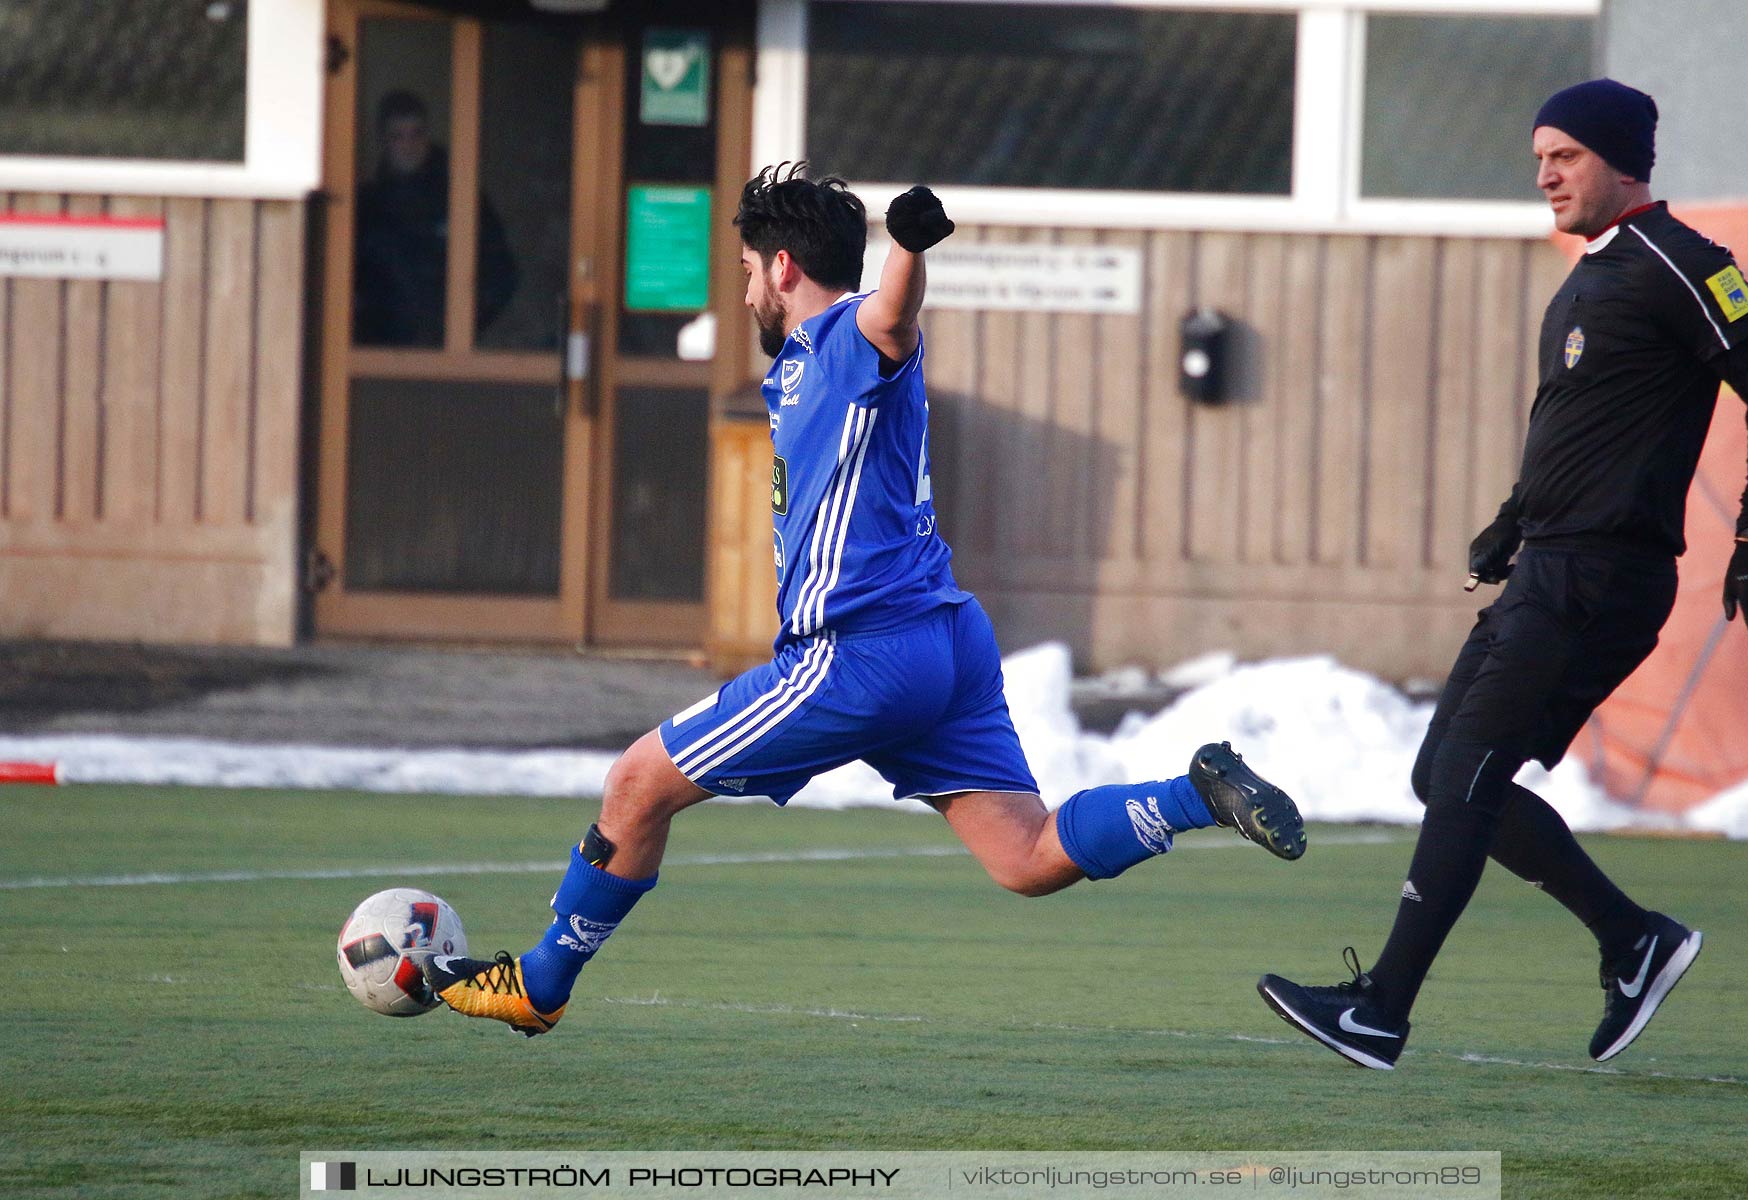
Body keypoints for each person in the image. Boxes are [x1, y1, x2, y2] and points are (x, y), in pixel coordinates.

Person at [425, 164, 1307, 1036]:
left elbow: (894, 317)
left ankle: (541, 981)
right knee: (1025, 856)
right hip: (943, 640)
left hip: (857, 654)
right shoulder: (809, 364)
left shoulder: (847, 333)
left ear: (781, 269)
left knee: (635, 782)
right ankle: (1196, 796)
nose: (742, 298)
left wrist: (908, 247)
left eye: (744, 273)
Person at [1257, 79, 1748, 1070]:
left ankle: (1381, 1010)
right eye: (1539, 156)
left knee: (1464, 778)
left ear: (1621, 159)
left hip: (1599, 580)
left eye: (1565, 156)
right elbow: (1582, 432)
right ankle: (1634, 941)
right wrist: (1514, 519)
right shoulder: (1589, 275)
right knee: (1445, 777)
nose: (1545, 174)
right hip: (1549, 567)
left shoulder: (1685, 264)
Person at [353, 89, 518, 346]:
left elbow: (501, 273)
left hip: (446, 354)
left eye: (417, 133)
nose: (409, 146)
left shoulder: (460, 200)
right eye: (398, 136)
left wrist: (458, 327)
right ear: (383, 142)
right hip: (379, 355)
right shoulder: (367, 206)